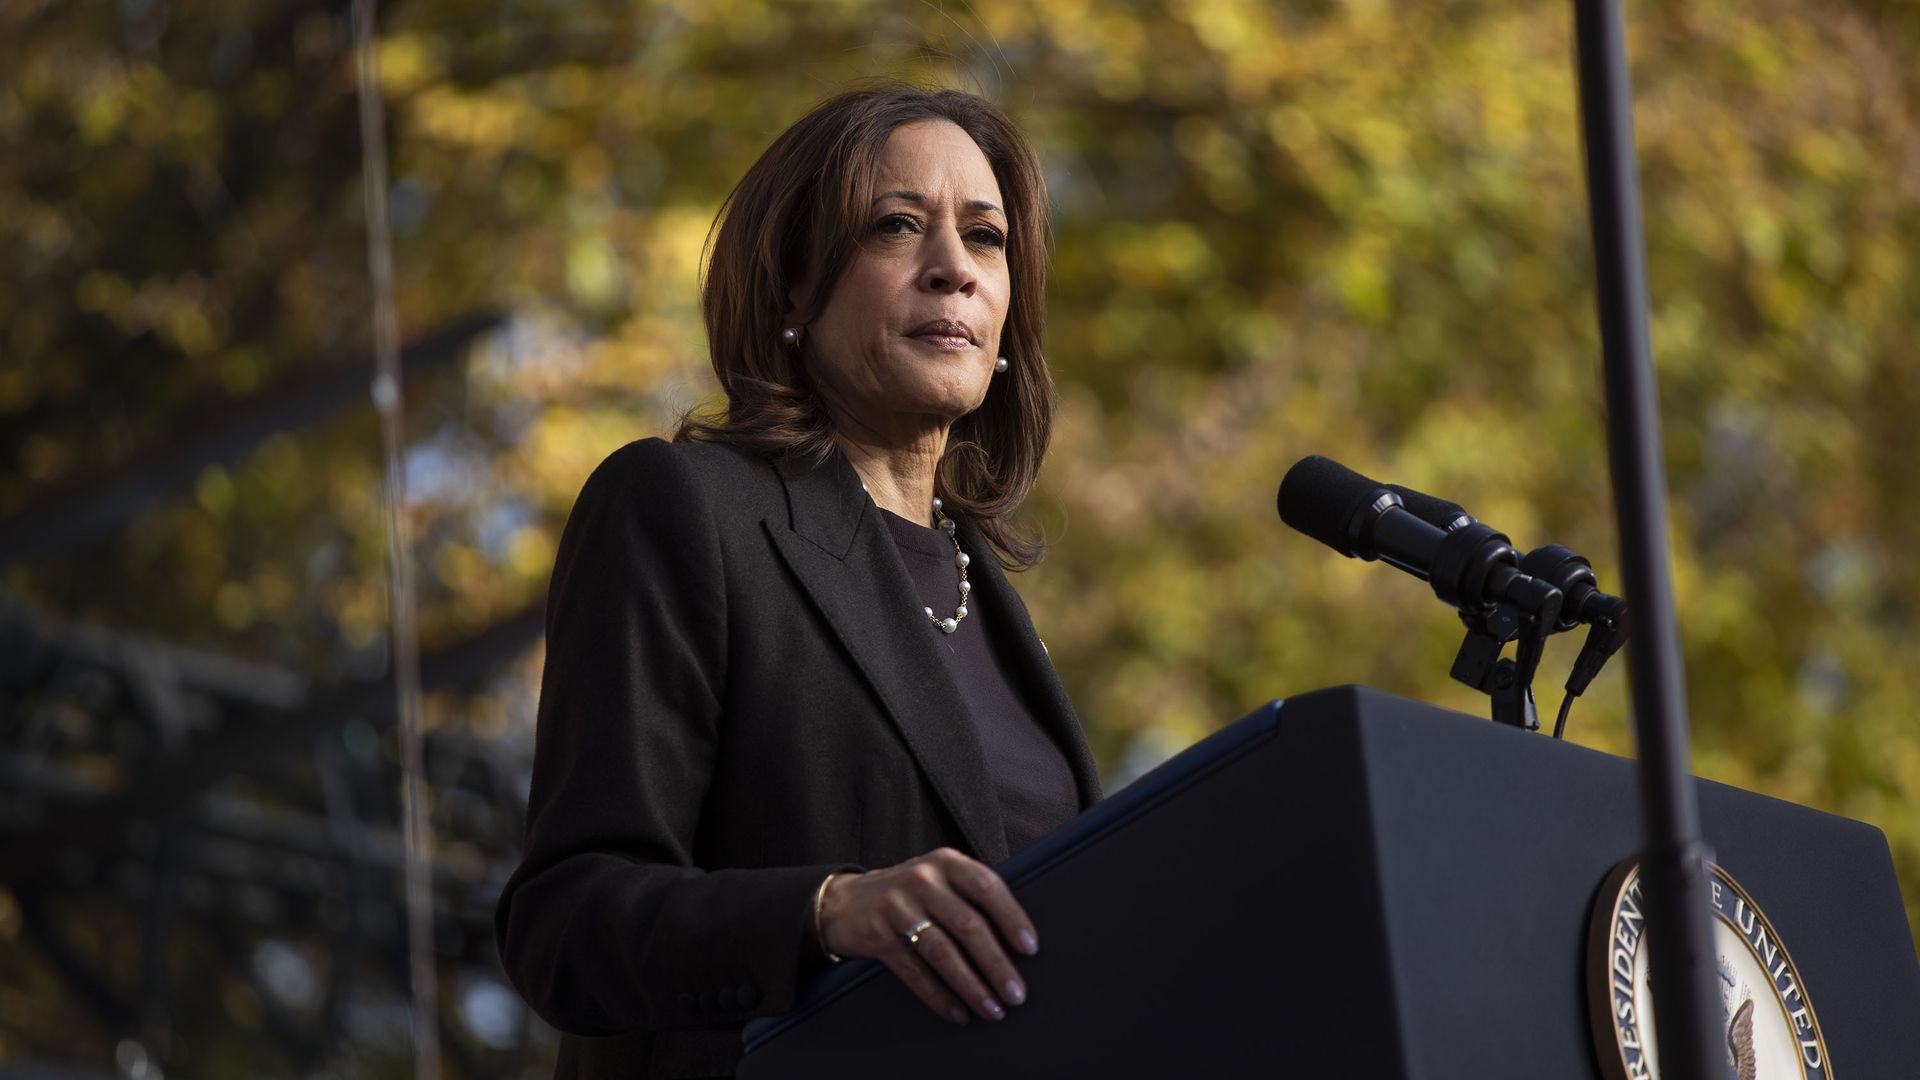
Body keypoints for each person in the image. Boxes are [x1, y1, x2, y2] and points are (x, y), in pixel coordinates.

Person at [493, 84, 1102, 1079]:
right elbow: (568, 924)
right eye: (897, 226)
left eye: (987, 239)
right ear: (791, 290)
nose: (953, 269)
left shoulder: (996, 607)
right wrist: (825, 911)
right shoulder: (685, 509)